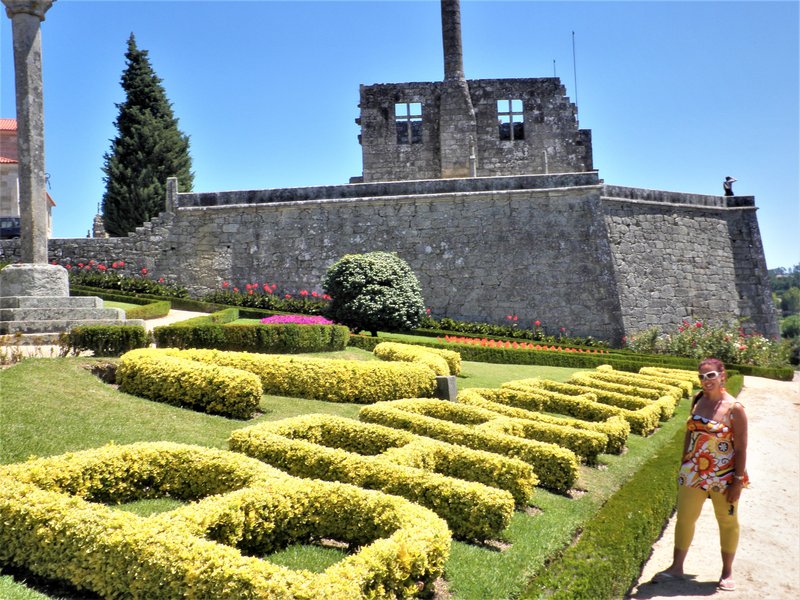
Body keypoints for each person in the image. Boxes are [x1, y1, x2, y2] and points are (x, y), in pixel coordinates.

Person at [652, 358, 749, 592]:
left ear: (722, 375)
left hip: (723, 474)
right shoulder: (697, 399)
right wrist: (685, 460)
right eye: (702, 377)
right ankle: (677, 567)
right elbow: (690, 431)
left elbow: (741, 448)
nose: (706, 381)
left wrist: (736, 481)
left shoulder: (735, 408)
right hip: (694, 471)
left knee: (726, 521)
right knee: (685, 517)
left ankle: (727, 572)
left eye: (711, 375)